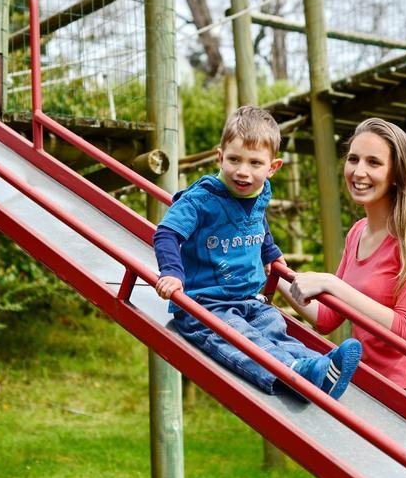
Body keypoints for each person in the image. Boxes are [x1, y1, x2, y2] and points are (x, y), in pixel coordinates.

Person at [279, 117, 406, 478]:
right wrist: (277, 275)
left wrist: (330, 284)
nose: (359, 171)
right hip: (370, 398)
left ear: (396, 174)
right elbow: (325, 317)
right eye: (354, 159)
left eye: (374, 163)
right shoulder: (358, 232)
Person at [153, 106, 362, 400]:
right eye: (235, 159)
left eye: (254, 163)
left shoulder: (260, 191)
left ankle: (319, 365)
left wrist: (270, 253)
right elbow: (166, 233)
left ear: (272, 167)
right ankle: (297, 375)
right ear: (220, 156)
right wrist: (172, 273)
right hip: (205, 306)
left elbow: (257, 222)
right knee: (242, 339)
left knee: (274, 328)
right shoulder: (201, 200)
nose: (242, 171)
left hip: (250, 298)